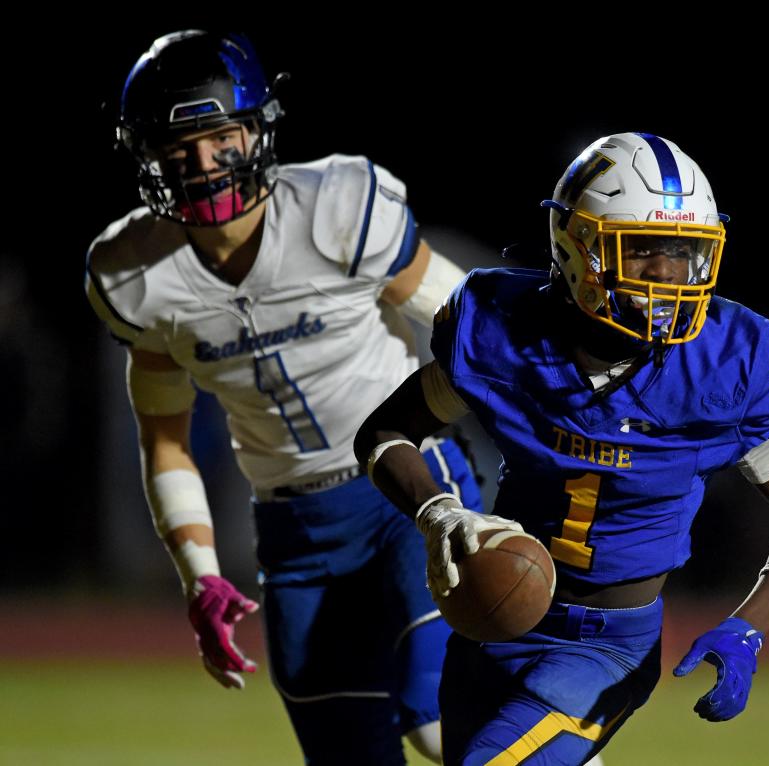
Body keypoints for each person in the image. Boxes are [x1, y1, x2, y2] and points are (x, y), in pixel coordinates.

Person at [355, 132, 769, 765]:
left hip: (607, 647)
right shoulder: (502, 329)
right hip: (489, 619)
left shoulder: (724, 362)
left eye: (683, 253)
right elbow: (384, 433)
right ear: (574, 246)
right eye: (642, 250)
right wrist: (436, 511)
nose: (668, 274)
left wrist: (752, 624)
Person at [85, 30, 482, 766]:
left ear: (257, 131)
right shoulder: (135, 276)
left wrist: (559, 426)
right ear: (147, 161)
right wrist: (201, 577)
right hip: (293, 533)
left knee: (443, 722)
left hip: (409, 489)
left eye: (219, 139)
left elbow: (471, 322)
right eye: (178, 152)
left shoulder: (335, 207)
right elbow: (165, 444)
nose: (201, 167)